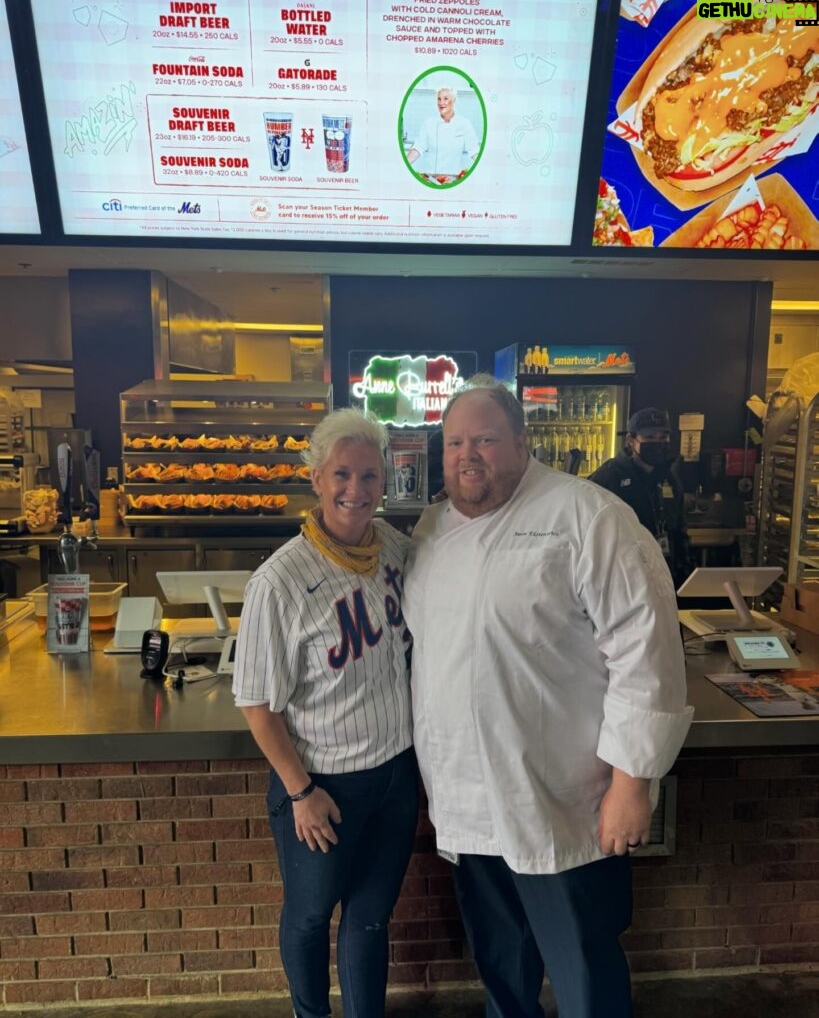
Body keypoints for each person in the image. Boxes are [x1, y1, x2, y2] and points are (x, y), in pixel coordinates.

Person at [403, 381, 692, 1018]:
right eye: (454, 442)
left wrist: (632, 784)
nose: (467, 455)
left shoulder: (587, 516)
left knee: (583, 971)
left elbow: (647, 655)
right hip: (469, 801)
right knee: (501, 968)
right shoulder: (431, 528)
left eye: (484, 439)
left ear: (522, 443)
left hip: (565, 804)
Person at [232, 408, 418, 1018]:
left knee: (369, 918)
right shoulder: (278, 581)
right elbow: (256, 703)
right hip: (323, 784)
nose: (356, 491)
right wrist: (300, 790)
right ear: (315, 479)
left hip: (395, 774)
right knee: (311, 916)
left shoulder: (395, 547)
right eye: (342, 474)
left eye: (369, 476)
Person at [588, 407, 691, 587]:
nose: (658, 444)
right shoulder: (610, 476)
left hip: (663, 575)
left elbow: (679, 529)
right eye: (649, 438)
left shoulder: (670, 478)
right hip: (622, 579)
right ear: (631, 440)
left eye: (663, 437)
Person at [406, 86, 479, 179]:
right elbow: (418, 147)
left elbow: (474, 150)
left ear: (454, 101)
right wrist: (404, 164)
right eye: (439, 99)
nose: (441, 103)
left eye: (445, 99)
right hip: (432, 178)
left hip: (453, 178)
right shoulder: (429, 123)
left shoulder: (464, 124)